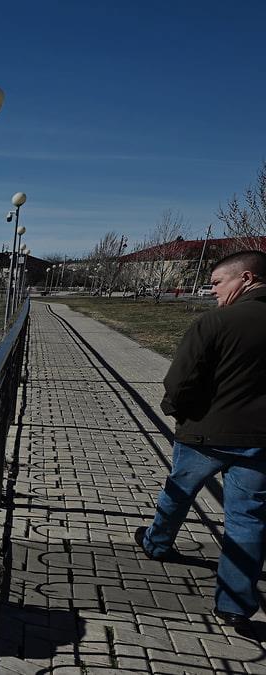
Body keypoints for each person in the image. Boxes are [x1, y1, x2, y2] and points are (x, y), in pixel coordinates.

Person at [139, 249, 266, 626]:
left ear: (246, 278)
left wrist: (177, 410)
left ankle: (157, 543)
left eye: (217, 283)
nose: (212, 291)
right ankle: (234, 605)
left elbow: (180, 380)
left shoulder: (216, 322)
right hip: (261, 440)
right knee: (248, 518)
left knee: (178, 491)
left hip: (205, 433)